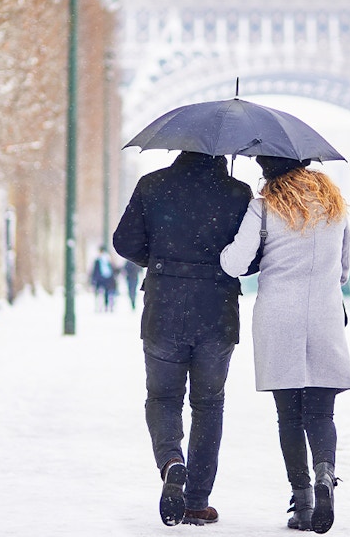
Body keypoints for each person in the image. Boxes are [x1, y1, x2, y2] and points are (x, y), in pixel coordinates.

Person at [113, 150, 253, 527]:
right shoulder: (238, 193)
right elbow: (251, 258)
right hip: (216, 311)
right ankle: (196, 501)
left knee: (162, 397)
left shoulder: (152, 184)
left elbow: (124, 242)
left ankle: (171, 461)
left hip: (164, 307)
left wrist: (162, 262)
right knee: (208, 405)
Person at [219, 155, 350, 534]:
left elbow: (234, 263)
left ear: (267, 172)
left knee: (290, 416)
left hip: (278, 318)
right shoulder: (334, 207)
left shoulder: (263, 208)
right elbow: (343, 270)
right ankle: (325, 473)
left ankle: (303, 502)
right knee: (322, 414)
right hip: (325, 317)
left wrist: (250, 249)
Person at [89, 246, 118, 311]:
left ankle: (104, 306)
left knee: (104, 294)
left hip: (104, 279)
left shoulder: (105, 260)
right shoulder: (107, 260)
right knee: (105, 294)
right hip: (104, 279)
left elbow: (95, 271)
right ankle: (104, 306)